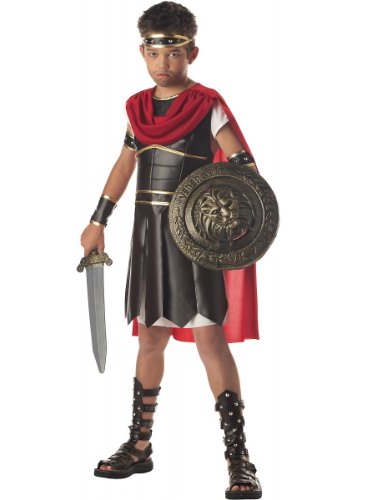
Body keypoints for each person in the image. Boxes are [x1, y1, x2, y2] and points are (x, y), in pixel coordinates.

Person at [80, 2, 263, 498]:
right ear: (142, 52)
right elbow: (125, 165)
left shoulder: (206, 104)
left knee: (210, 340)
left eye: (175, 53)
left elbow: (242, 168)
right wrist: (98, 220)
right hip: (149, 236)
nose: (164, 63)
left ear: (192, 53)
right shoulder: (138, 109)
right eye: (155, 52)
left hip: (193, 238)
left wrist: (240, 203)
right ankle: (139, 447)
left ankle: (239, 460)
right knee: (150, 339)